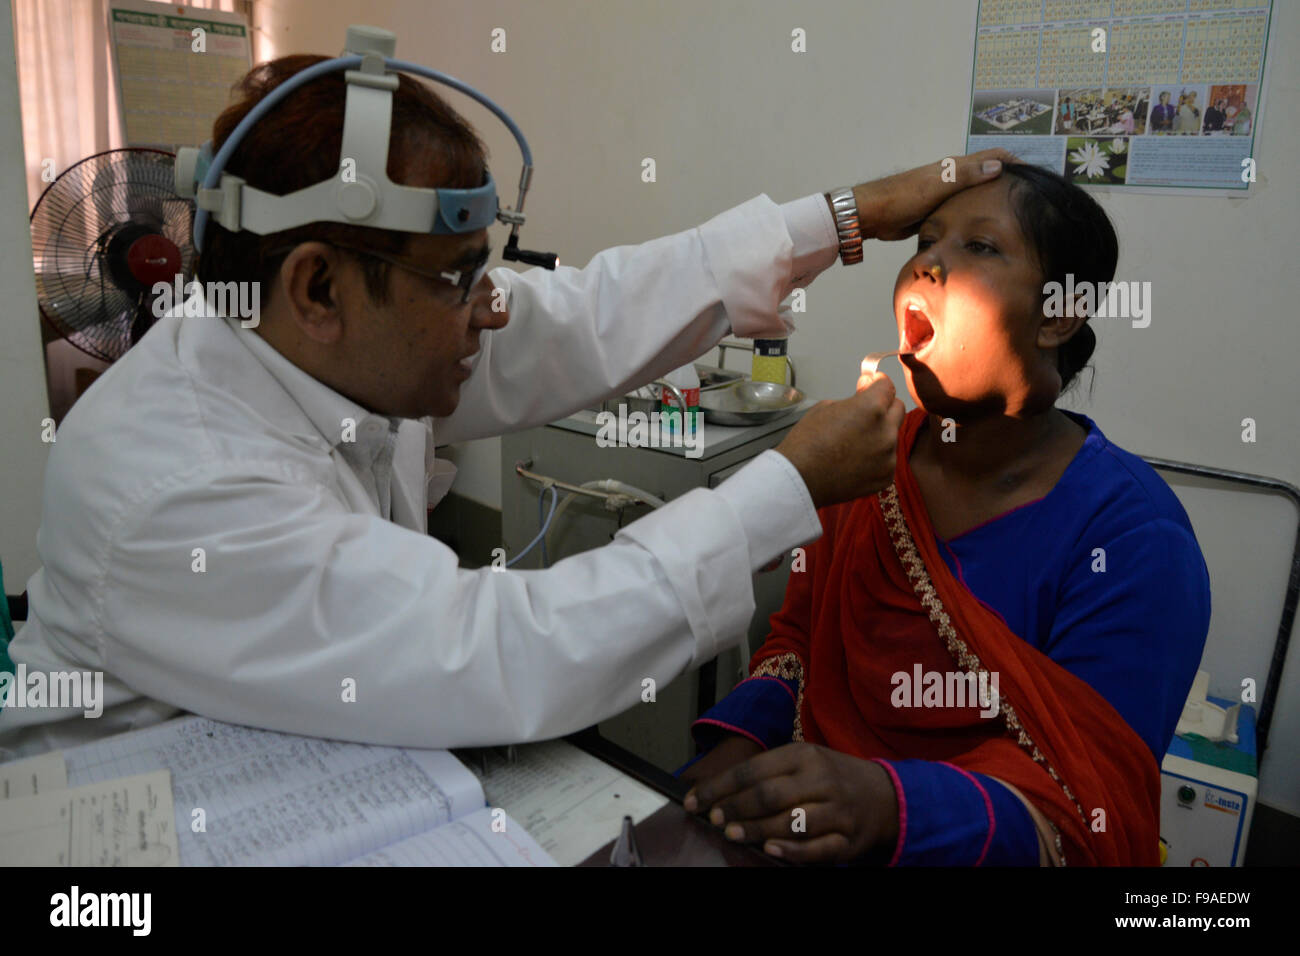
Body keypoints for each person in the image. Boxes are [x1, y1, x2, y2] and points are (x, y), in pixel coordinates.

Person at [0, 51, 1016, 759]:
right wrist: (785, 483)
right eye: (455, 276)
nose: (492, 307)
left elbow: (585, 312)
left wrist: (836, 219)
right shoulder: (180, 483)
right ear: (317, 288)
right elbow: (499, 654)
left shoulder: (326, 343)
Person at [680, 164, 1210, 866]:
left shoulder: (1134, 539)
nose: (929, 262)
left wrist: (886, 805)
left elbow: (1088, 804)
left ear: (1057, 313)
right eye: (925, 240)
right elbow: (797, 643)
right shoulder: (867, 467)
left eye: (980, 247)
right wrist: (738, 752)